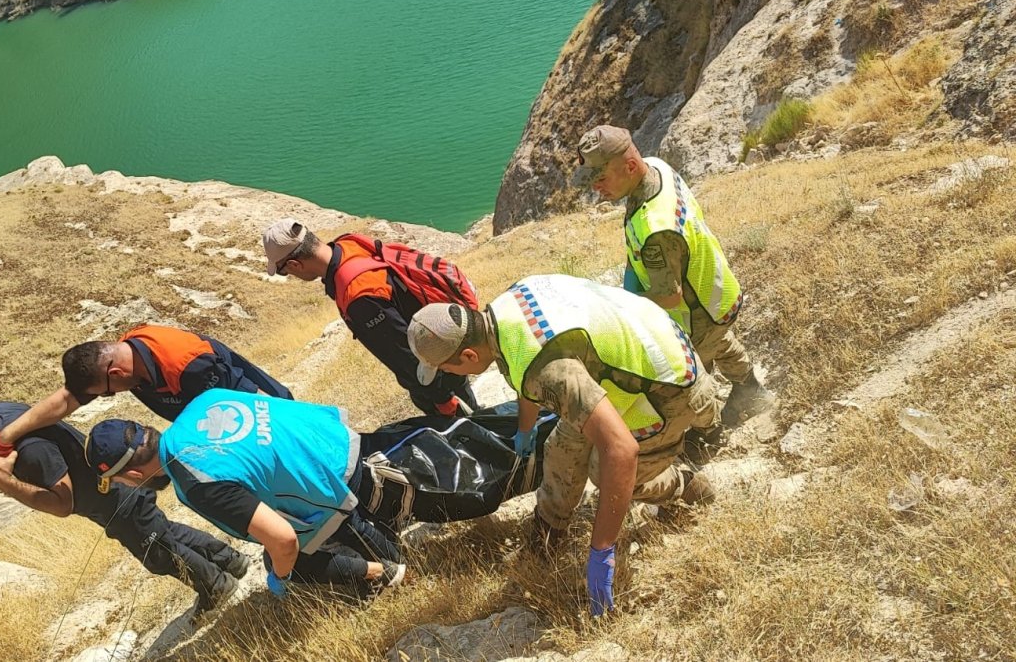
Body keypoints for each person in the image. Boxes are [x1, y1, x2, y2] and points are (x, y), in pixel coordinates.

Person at [406, 274, 720, 616]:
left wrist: (602, 550)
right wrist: (524, 430)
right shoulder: (506, 308)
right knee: (561, 448)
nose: (451, 376)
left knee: (608, 473)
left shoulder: (547, 368)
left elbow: (622, 450)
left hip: (667, 386)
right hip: (635, 353)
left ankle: (684, 484)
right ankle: (546, 536)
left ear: (467, 355)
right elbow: (525, 368)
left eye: (448, 368)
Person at [0, 401, 251, 620]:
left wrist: (6, 482)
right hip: (116, 491)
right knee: (166, 532)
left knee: (157, 552)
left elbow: (62, 504)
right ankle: (232, 561)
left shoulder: (30, 453)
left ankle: (216, 586)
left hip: (116, 500)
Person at [84, 389, 406, 599]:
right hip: (338, 441)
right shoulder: (201, 403)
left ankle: (387, 573)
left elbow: (284, 540)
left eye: (121, 482)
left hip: (335, 484)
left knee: (283, 559)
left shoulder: (194, 482)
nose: (127, 486)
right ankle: (392, 556)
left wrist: (282, 577)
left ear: (134, 474)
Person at [572, 125, 774, 426]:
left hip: (696, 312)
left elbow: (669, 295)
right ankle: (750, 390)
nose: (595, 188)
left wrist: (624, 304)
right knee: (719, 340)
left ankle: (708, 426)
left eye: (601, 178)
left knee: (689, 378)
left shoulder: (656, 228)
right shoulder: (656, 167)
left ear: (629, 166)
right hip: (716, 291)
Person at [262, 219, 478, 418]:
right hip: (446, 338)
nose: (289, 275)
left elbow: (406, 355)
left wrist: (442, 399)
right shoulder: (348, 244)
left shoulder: (358, 296)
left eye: (283, 271)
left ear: (294, 264)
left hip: (437, 373)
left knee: (470, 431)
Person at [0, 324, 291, 456]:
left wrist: (296, 430)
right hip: (229, 429)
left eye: (107, 392)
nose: (110, 396)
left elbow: (258, 403)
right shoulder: (124, 358)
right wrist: (7, 436)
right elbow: (66, 399)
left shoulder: (187, 364)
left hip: (267, 422)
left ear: (116, 374)